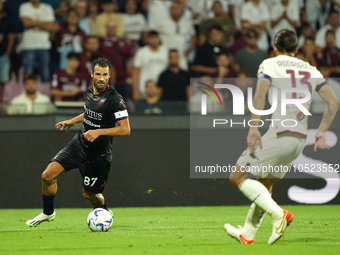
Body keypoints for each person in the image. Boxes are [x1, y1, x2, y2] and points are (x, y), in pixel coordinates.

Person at [224, 29, 339, 245]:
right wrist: (321, 131)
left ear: (275, 48)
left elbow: (259, 95)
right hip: (299, 139)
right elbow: (333, 103)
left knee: (237, 176)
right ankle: (247, 233)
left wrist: (253, 127)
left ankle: (279, 215)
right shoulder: (311, 69)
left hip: (279, 132)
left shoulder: (270, 64)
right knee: (265, 185)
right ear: (296, 49)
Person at [26, 57, 131, 227]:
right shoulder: (90, 92)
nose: (102, 78)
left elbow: (125, 129)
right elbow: (89, 112)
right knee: (47, 176)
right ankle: (48, 213)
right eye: (98, 74)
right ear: (92, 74)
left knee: (89, 195)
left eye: (105, 75)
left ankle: (103, 211)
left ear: (110, 75)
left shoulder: (115, 100)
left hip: (98, 154)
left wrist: (98, 132)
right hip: (79, 144)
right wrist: (73, 121)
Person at [148, 0, 196, 71]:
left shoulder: (187, 23)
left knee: (183, 77)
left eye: (177, 9)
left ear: (181, 10)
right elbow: (153, 35)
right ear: (170, 10)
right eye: (173, 8)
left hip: (181, 55)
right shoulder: (162, 23)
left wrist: (189, 50)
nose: (175, 11)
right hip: (165, 55)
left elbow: (194, 36)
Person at [20, 0, 57, 82]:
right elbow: (26, 23)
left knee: (45, 73)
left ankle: (45, 93)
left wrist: (32, 22)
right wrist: (43, 23)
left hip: (44, 45)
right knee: (28, 73)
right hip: (28, 45)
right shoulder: (24, 7)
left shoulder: (47, 8)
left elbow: (50, 26)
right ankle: (27, 93)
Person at [99, 20, 135, 100]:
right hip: (107, 79)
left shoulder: (122, 41)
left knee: (122, 102)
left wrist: (129, 74)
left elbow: (130, 58)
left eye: (113, 27)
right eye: (109, 27)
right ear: (106, 28)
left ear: (116, 28)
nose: (111, 29)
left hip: (122, 79)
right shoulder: (101, 41)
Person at [132, 31, 168, 101]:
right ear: (148, 40)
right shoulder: (141, 52)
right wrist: (135, 90)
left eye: (156, 38)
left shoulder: (165, 51)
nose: (154, 40)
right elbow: (135, 72)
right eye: (152, 38)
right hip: (144, 89)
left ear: (159, 39)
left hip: (161, 89)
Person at [0, 1, 15, 102]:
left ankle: (1, 98)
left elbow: (11, 37)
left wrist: (7, 53)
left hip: (3, 54)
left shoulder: (6, 20)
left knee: (3, 79)